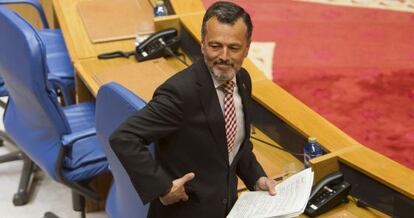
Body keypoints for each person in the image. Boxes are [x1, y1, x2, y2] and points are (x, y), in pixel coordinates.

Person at [109, 1, 277, 217]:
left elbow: (236, 145)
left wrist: (257, 178)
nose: (224, 56)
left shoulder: (242, 80)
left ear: (247, 48)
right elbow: (124, 137)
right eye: (215, 46)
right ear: (202, 44)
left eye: (233, 47)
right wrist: (162, 187)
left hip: (227, 208)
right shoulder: (180, 93)